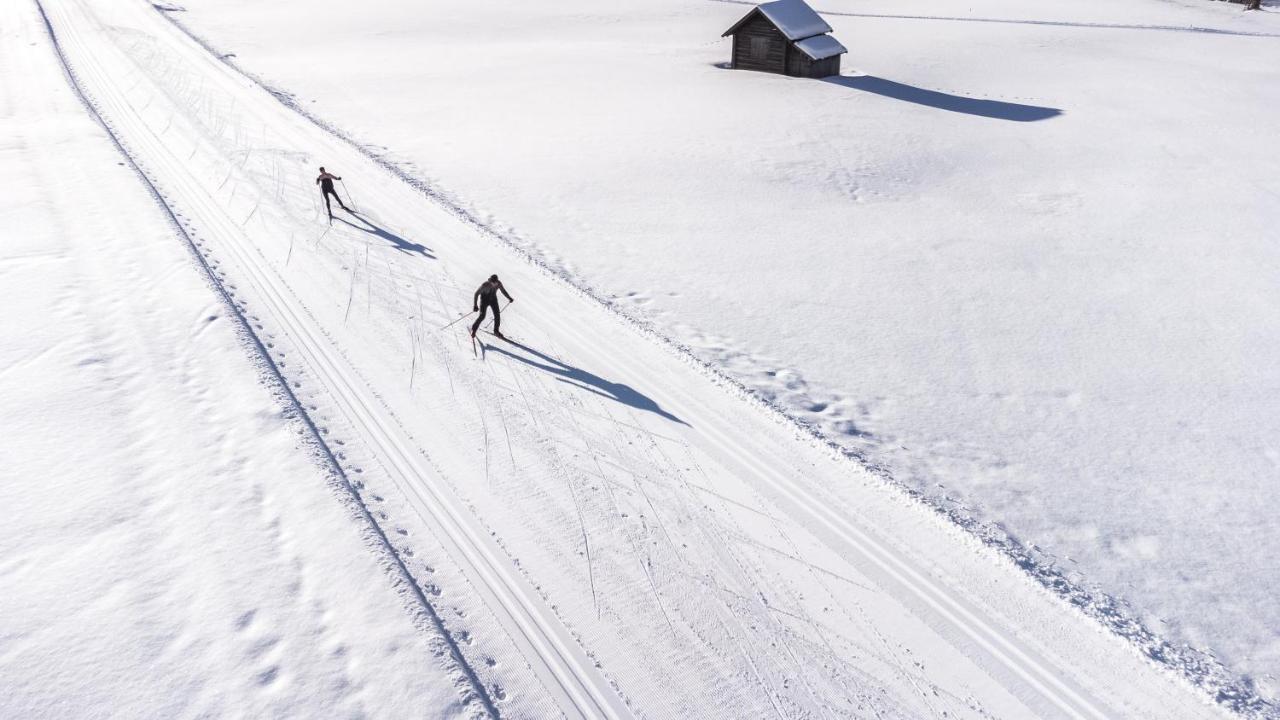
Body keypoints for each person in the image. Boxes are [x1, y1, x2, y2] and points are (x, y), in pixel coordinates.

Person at [470, 275, 514, 339]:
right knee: (482, 316)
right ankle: (474, 329)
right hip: (484, 300)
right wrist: (475, 305)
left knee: (497, 315)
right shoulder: (485, 285)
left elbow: (503, 291)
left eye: (495, 282)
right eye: (492, 282)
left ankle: (496, 331)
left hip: (493, 300)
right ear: (490, 281)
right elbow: (476, 294)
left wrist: (509, 298)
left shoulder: (499, 283)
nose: (494, 284)